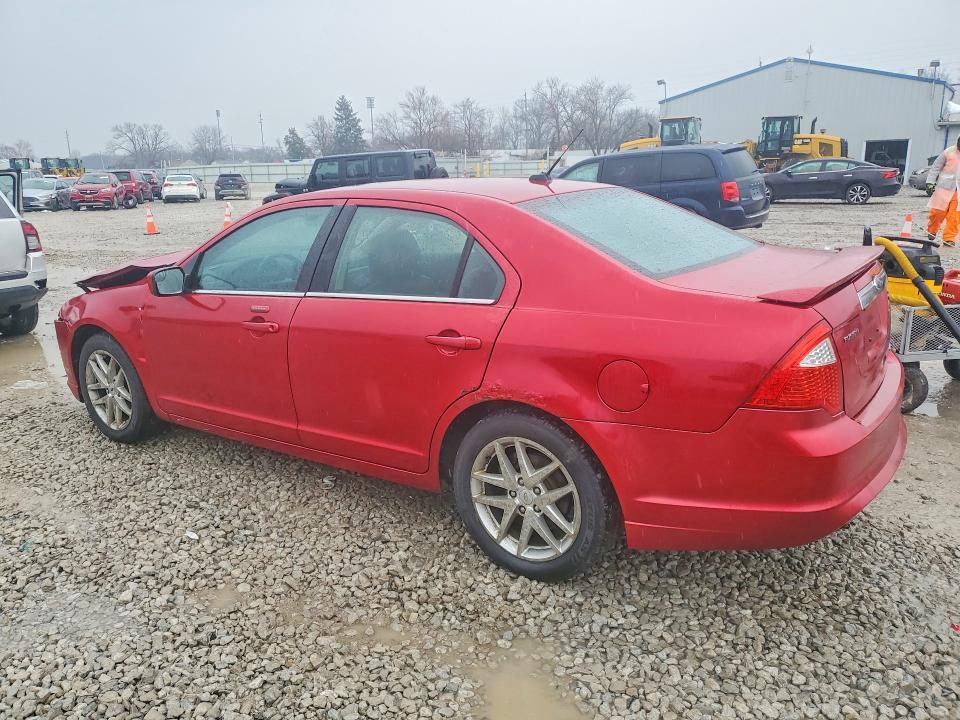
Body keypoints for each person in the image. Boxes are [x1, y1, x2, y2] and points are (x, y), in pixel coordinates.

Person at [926, 137, 960, 247]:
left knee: (954, 217)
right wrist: (930, 182)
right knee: (936, 213)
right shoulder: (948, 152)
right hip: (944, 188)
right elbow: (935, 167)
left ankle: (949, 239)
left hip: (958, 191)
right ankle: (932, 231)